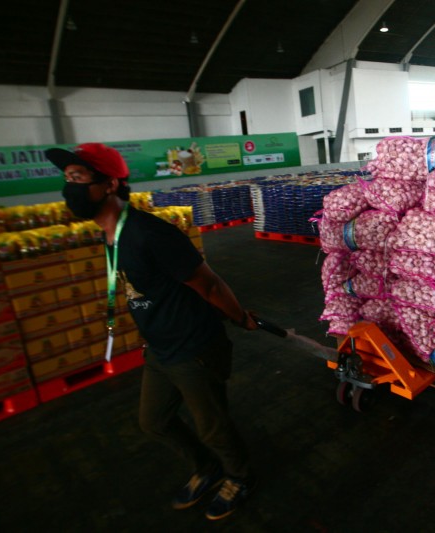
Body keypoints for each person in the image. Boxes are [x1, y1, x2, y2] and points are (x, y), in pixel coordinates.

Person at [45, 143, 258, 521]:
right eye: (66, 179)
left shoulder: (149, 233)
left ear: (109, 184)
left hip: (193, 346)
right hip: (160, 349)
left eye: (77, 178)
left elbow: (208, 284)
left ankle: (238, 476)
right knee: (154, 422)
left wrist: (240, 316)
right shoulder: (109, 235)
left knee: (212, 426)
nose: (68, 188)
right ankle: (206, 466)